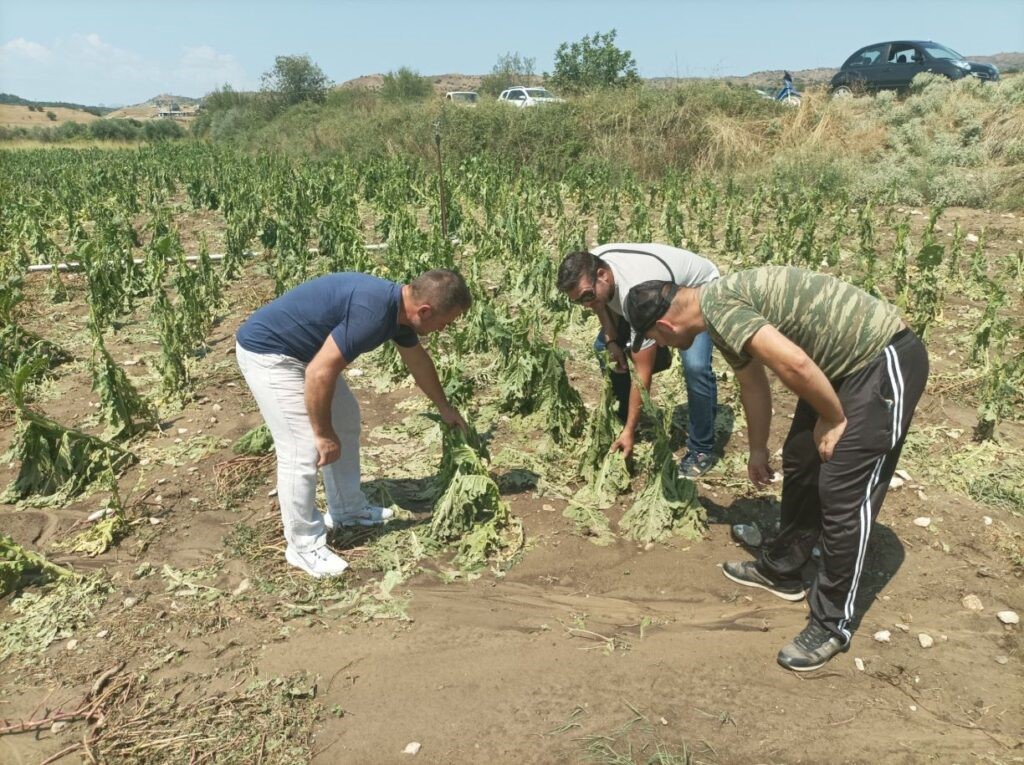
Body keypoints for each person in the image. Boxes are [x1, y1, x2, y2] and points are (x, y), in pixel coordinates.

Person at [624, 266, 928, 671]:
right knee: (802, 459)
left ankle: (831, 624)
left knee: (842, 490)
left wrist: (833, 417)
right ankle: (783, 568)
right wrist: (757, 449)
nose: (663, 346)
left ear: (665, 326)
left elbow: (795, 365)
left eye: (657, 339)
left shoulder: (720, 309)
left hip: (882, 360)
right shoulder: (712, 313)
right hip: (841, 369)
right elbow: (754, 384)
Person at [235, 270, 471, 578]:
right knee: (302, 448)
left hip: (306, 354)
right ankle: (303, 546)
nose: (443, 329)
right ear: (424, 311)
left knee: (345, 419)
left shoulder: (400, 313)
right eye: (445, 322)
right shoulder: (373, 313)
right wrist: (322, 434)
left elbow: (417, 360)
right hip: (271, 354)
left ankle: (347, 509)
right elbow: (319, 373)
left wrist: (444, 407)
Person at [556, 244, 720, 475]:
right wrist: (611, 338)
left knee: (696, 367)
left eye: (587, 296)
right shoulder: (594, 264)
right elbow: (600, 304)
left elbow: (642, 374)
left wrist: (630, 431)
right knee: (603, 348)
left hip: (697, 290)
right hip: (655, 292)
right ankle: (624, 418)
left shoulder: (634, 291)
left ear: (602, 275)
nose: (587, 305)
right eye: (579, 301)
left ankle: (701, 448)